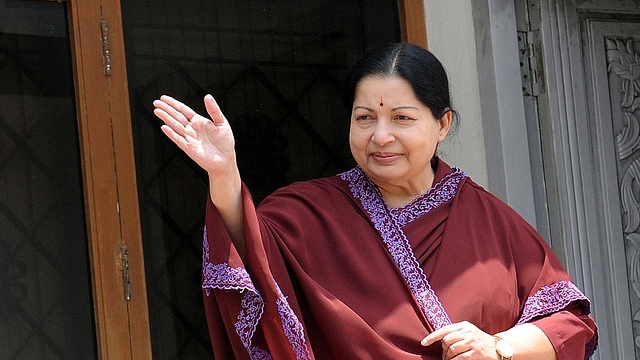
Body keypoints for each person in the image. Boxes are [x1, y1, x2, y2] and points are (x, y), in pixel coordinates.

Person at [152, 43, 598, 360]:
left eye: (401, 118)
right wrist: (224, 173)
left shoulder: (492, 222)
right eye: (365, 118)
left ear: (442, 125)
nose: (380, 136)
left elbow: (571, 324)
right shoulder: (306, 213)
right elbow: (249, 262)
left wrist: (499, 347)